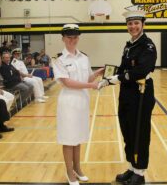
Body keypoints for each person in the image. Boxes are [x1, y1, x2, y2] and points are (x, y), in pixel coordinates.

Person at [99, 10, 157, 185]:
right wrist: (108, 74)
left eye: (136, 23)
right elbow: (124, 69)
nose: (133, 26)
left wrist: (117, 78)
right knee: (127, 130)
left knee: (139, 132)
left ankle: (140, 173)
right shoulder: (129, 45)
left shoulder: (148, 46)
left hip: (141, 92)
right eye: (130, 24)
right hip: (127, 92)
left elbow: (141, 70)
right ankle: (132, 167)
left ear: (143, 24)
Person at [52, 24, 104, 185]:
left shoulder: (84, 57)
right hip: (68, 103)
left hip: (82, 102)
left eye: (75, 37)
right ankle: (69, 172)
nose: (72, 40)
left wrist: (97, 73)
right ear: (63, 38)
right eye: (69, 37)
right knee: (69, 139)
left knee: (78, 137)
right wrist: (91, 86)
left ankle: (78, 168)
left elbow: (86, 78)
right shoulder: (58, 59)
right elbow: (67, 82)